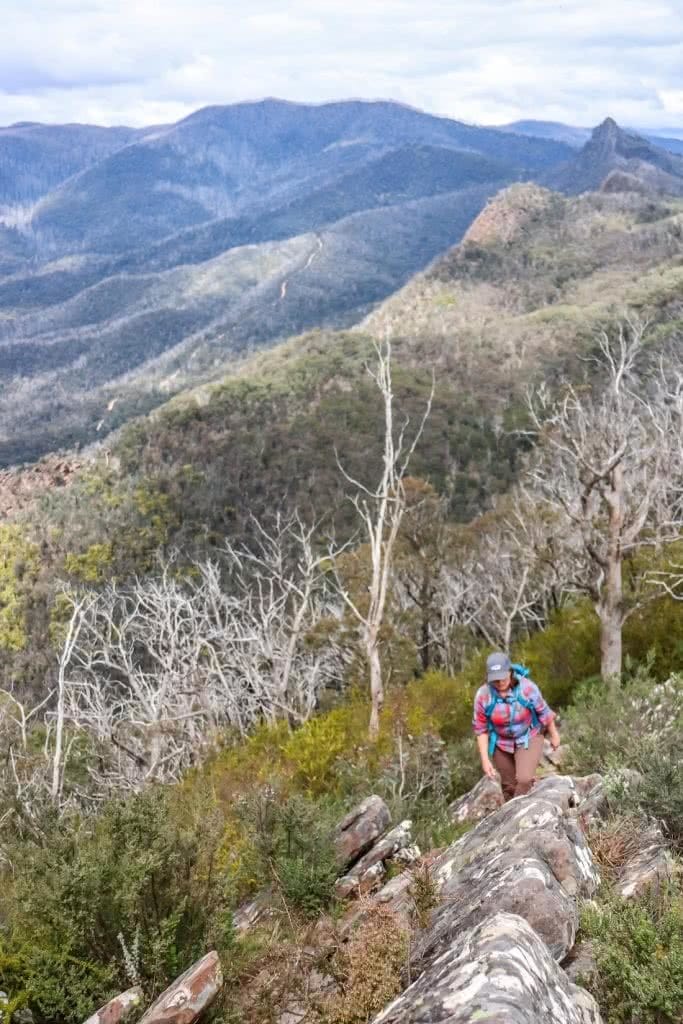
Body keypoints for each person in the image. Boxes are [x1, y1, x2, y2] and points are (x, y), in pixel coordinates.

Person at [472, 651, 560, 801]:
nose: (500, 682)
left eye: (503, 677)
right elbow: (481, 729)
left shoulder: (527, 688)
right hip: (500, 742)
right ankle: (516, 813)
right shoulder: (483, 695)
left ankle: (513, 815)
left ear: (510, 672)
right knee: (509, 787)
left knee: (524, 779)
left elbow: (544, 712)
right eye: (496, 679)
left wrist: (554, 734)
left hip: (529, 735)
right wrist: (485, 760)